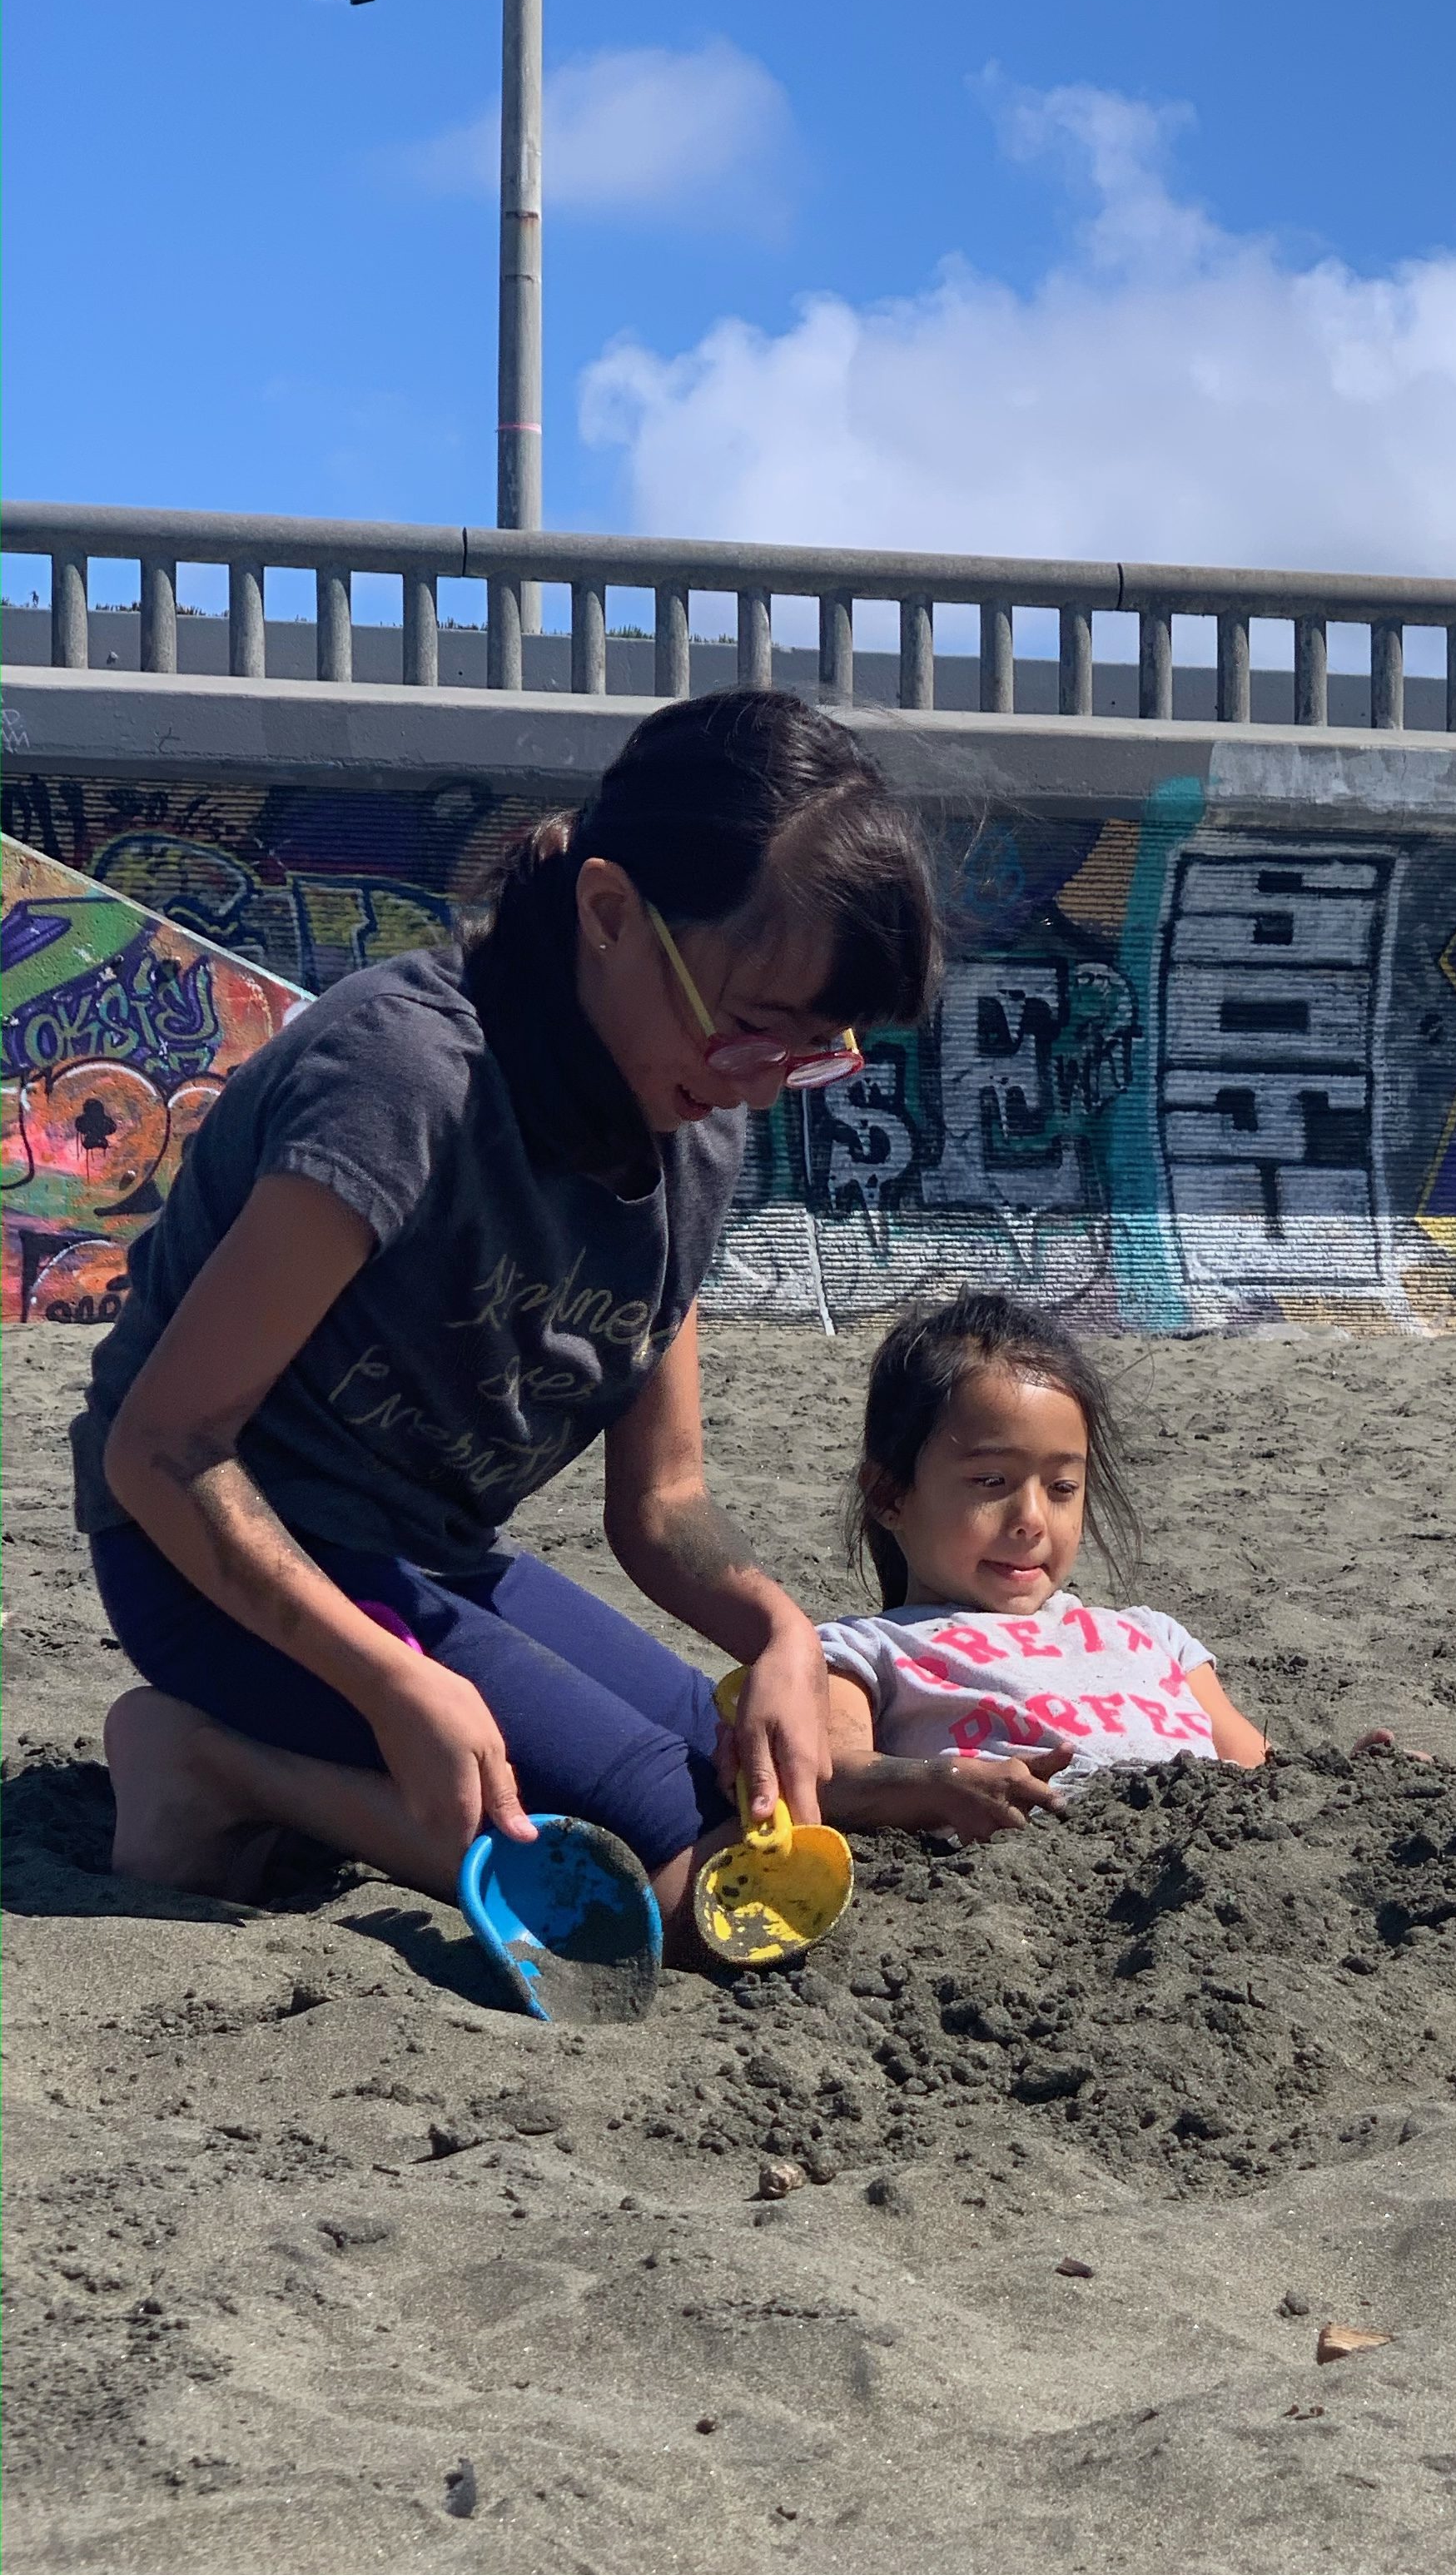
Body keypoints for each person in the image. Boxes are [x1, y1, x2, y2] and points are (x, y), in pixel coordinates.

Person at [79, 688, 938, 1953]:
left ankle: (308, 1762)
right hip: (207, 1562)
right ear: (606, 915)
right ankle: (211, 1767)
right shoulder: (403, 1083)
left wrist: (781, 1634)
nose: (766, 1080)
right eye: (757, 1027)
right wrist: (392, 1680)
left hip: (429, 1561)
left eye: (818, 1048)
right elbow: (160, 1450)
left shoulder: (696, 1124)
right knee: (679, 1887)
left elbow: (664, 1504)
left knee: (733, 1790)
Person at [811, 1289, 1267, 1838]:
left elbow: (1263, 1770)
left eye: (1062, 1487)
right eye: (991, 1482)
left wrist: (1360, 1769)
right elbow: (826, 1774)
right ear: (889, 1495)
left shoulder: (1152, 1637)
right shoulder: (864, 1650)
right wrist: (937, 1784)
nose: (1032, 1519)